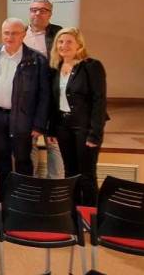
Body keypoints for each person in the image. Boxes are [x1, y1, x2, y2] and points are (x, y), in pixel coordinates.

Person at [0, 18, 50, 190]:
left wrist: (39, 124)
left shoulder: (36, 60)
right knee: (1, 156)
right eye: (6, 33)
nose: (10, 37)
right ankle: (4, 194)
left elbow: (44, 95)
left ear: (23, 34)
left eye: (15, 33)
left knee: (22, 158)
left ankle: (23, 195)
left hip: (23, 117)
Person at [49, 27, 107, 206]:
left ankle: (91, 218)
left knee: (86, 175)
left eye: (68, 42)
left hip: (85, 128)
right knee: (70, 173)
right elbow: (53, 101)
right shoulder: (55, 68)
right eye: (60, 41)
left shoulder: (91, 66)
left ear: (79, 45)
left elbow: (100, 101)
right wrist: (51, 128)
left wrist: (95, 133)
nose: (63, 45)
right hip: (63, 127)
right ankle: (73, 215)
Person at [24, 0, 65, 179]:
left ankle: (55, 187)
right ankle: (31, 186)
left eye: (42, 10)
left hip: (53, 97)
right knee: (28, 142)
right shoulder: (21, 32)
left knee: (53, 142)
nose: (37, 13)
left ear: (50, 13)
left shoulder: (59, 34)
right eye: (34, 9)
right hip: (28, 98)